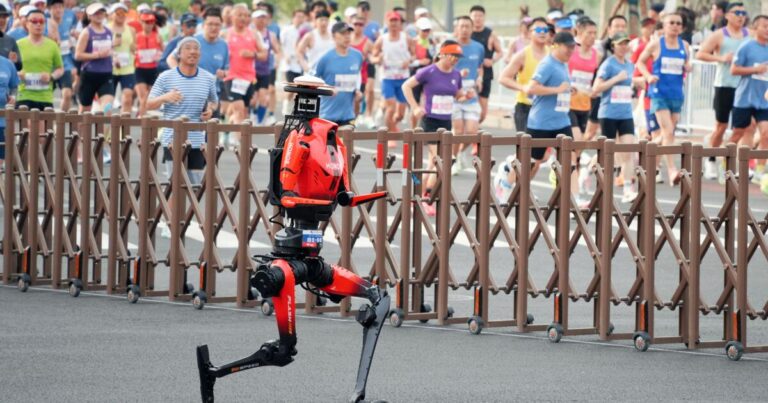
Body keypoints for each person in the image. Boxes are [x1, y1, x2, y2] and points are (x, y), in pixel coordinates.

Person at [402, 40, 468, 215]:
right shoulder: (429, 71)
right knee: (439, 160)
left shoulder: (456, 74)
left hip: (446, 122)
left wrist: (465, 97)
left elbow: (458, 94)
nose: (455, 59)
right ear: (442, 54)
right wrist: (415, 107)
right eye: (453, 55)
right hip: (430, 120)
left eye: (458, 56)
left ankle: (419, 195)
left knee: (435, 162)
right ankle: (424, 196)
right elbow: (406, 85)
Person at [147, 36, 217, 189]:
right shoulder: (165, 77)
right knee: (176, 186)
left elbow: (214, 101)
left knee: (195, 188)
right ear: (178, 53)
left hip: (197, 139)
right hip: (172, 139)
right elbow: (149, 104)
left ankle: (188, 207)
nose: (192, 51)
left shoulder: (208, 78)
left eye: (196, 48)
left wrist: (210, 110)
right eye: (188, 48)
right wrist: (165, 97)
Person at [637, 12, 692, 186]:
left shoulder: (685, 45)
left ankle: (647, 158)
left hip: (676, 95)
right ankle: (672, 170)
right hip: (659, 94)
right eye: (671, 23)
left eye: (678, 23)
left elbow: (686, 64)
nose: (675, 26)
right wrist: (648, 76)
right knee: (668, 132)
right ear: (664, 26)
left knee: (665, 135)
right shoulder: (656, 44)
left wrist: (688, 66)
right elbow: (639, 62)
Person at [696, 2, 749, 180]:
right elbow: (700, 53)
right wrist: (721, 58)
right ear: (727, 15)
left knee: (743, 128)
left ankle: (732, 161)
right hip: (724, 85)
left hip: (744, 87)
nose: (741, 16)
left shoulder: (750, 35)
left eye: (743, 13)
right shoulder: (719, 35)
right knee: (721, 126)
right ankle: (711, 159)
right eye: (737, 13)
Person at [593, 32, 642, 203]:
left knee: (627, 150)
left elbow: (628, 85)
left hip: (626, 114)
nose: (623, 47)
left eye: (626, 43)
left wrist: (637, 83)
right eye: (620, 43)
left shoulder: (630, 65)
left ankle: (627, 189)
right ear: (613, 46)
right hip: (608, 114)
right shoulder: (608, 64)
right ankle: (588, 170)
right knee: (608, 153)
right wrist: (615, 79)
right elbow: (596, 88)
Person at [525, 32, 575, 178]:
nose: (571, 50)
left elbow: (559, 86)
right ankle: (512, 185)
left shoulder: (563, 64)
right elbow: (531, 88)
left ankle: (563, 191)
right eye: (568, 47)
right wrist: (557, 90)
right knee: (533, 164)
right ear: (556, 46)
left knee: (570, 160)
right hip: (541, 123)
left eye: (573, 47)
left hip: (562, 121)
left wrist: (568, 90)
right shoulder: (547, 64)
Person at [731, 14, 768, 190]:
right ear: (755, 28)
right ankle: (728, 162)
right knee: (740, 133)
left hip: (764, 99)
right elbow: (733, 69)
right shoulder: (746, 46)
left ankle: (759, 171)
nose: (767, 30)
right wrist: (755, 69)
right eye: (764, 26)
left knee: (766, 133)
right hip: (745, 97)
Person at [499, 17, 549, 134]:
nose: (542, 32)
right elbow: (503, 78)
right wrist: (523, 87)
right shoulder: (523, 55)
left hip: (547, 107)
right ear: (529, 33)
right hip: (526, 107)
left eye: (545, 30)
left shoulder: (552, 54)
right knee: (526, 143)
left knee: (545, 143)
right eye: (538, 30)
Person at [370, 11, 414, 134]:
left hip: (403, 78)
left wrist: (409, 60)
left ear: (400, 23)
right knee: (391, 108)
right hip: (387, 78)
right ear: (387, 23)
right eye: (391, 21)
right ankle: (390, 135)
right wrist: (378, 59)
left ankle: (393, 125)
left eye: (396, 21)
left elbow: (414, 55)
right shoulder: (382, 39)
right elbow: (373, 57)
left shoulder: (406, 38)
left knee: (400, 114)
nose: (394, 23)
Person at [450, 15, 483, 176]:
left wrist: (480, 78)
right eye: (461, 26)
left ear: (472, 29)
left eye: (467, 26)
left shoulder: (478, 47)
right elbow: (441, 67)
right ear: (456, 28)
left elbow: (480, 67)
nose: (464, 29)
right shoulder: (450, 46)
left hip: (471, 95)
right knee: (457, 131)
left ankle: (461, 152)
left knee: (471, 132)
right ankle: (453, 160)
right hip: (453, 94)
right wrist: (457, 74)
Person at [223, 3, 264, 131]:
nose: (243, 18)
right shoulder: (225, 34)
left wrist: (252, 54)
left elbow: (264, 54)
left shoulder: (254, 34)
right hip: (231, 77)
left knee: (244, 112)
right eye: (240, 15)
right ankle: (239, 140)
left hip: (248, 78)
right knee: (239, 109)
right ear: (232, 17)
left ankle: (228, 127)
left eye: (246, 15)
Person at [313, 21, 362, 127]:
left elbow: (357, 76)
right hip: (327, 116)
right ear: (334, 36)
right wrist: (327, 88)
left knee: (348, 137)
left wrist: (357, 90)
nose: (347, 37)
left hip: (348, 116)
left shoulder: (357, 56)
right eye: (343, 33)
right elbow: (311, 81)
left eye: (349, 33)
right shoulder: (324, 58)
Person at [16, 8, 63, 110]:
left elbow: (60, 69)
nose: (38, 24)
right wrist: (18, 74)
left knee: (44, 121)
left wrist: (51, 76)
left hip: (45, 97)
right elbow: (10, 68)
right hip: (24, 95)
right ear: (27, 24)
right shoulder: (18, 44)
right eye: (34, 21)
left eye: (41, 21)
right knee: (25, 120)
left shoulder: (52, 45)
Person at [74, 2, 116, 113]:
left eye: (101, 12)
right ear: (89, 16)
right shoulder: (86, 32)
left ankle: (101, 125)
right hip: (89, 75)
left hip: (106, 74)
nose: (99, 15)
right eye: (95, 13)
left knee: (107, 109)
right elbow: (78, 55)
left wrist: (114, 57)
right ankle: (81, 126)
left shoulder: (108, 32)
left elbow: (110, 50)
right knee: (85, 111)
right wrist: (97, 55)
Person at [469, 5, 502, 125]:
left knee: (482, 113)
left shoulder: (490, 34)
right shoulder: (466, 33)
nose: (477, 18)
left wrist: (492, 60)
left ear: (484, 17)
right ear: (470, 17)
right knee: (468, 106)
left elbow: (500, 52)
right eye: (475, 16)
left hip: (486, 74)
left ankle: (473, 128)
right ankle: (469, 131)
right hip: (469, 73)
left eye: (480, 16)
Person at [251, 8, 280, 125]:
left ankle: (258, 122)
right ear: (253, 20)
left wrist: (277, 62)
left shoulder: (271, 35)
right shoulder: (250, 34)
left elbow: (277, 51)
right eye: (259, 18)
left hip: (265, 70)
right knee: (253, 99)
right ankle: (252, 115)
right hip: (251, 71)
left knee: (264, 97)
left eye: (264, 18)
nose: (262, 20)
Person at [134, 10, 163, 117]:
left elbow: (163, 52)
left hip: (153, 69)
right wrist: (135, 54)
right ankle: (142, 119)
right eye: (146, 22)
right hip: (140, 69)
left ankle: (143, 116)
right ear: (141, 23)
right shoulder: (137, 36)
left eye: (151, 22)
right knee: (143, 97)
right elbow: (131, 51)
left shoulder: (157, 36)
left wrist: (158, 54)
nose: (149, 25)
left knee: (150, 98)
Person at [108, 2, 136, 115]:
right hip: (110, 68)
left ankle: (124, 125)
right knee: (108, 100)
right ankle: (106, 125)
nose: (121, 15)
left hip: (127, 68)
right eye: (118, 13)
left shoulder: (131, 30)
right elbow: (99, 47)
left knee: (128, 97)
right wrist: (112, 44)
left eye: (123, 13)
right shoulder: (106, 29)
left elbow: (133, 48)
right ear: (112, 14)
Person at [48, 0, 75, 111]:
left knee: (67, 94)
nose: (58, 10)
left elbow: (69, 39)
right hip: (49, 65)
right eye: (55, 7)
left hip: (64, 64)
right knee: (47, 98)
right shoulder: (44, 24)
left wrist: (72, 42)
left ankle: (60, 118)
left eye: (60, 7)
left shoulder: (68, 20)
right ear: (49, 9)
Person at [351, 14, 373, 121]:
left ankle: (353, 122)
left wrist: (370, 58)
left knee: (357, 100)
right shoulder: (347, 39)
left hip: (360, 76)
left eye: (360, 24)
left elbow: (375, 55)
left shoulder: (367, 42)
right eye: (356, 24)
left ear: (364, 26)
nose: (358, 27)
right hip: (345, 74)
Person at [296, 9, 333, 74]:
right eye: (321, 20)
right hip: (313, 73)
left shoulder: (333, 36)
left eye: (326, 20)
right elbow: (299, 52)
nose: (324, 23)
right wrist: (306, 67)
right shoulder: (310, 36)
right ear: (315, 21)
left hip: (329, 73)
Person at [0, 53, 18, 166]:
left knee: (1, 156)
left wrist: (13, 97)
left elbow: (14, 86)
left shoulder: (7, 63)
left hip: (2, 120)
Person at [0, 4, 22, 71]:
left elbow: (19, 67)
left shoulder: (10, 40)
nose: (1, 20)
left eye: (4, 17)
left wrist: (15, 62)